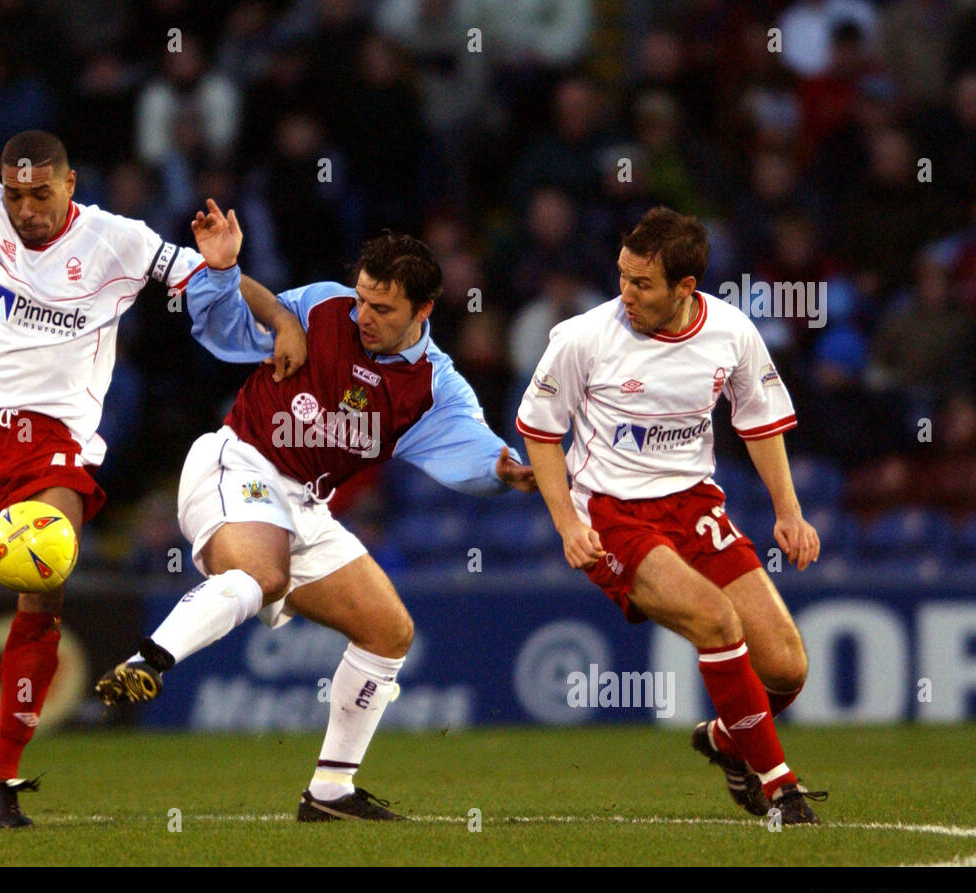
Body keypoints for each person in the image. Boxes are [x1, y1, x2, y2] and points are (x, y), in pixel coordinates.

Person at [0, 32, 306, 828]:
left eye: (42, 195)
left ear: (72, 182)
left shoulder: (119, 240)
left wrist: (272, 311)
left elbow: (210, 273)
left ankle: (3, 776)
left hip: (55, 444)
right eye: (16, 196)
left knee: (42, 572)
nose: (28, 211)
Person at [97, 201, 539, 821]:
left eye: (382, 309)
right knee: (262, 575)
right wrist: (224, 275)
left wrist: (506, 470)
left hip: (306, 505)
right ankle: (150, 659)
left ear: (425, 311)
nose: (363, 316)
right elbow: (228, 334)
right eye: (361, 298)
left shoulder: (433, 389)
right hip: (238, 463)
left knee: (389, 631)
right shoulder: (323, 307)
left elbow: (473, 449)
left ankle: (330, 791)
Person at [516, 206, 827, 824]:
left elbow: (760, 423)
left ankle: (724, 739)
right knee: (715, 620)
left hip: (693, 504)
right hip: (612, 512)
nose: (625, 294)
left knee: (787, 668)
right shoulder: (583, 337)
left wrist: (788, 512)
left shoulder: (732, 331)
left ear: (686, 288)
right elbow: (541, 433)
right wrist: (568, 524)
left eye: (642, 284)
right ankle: (780, 787)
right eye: (623, 277)